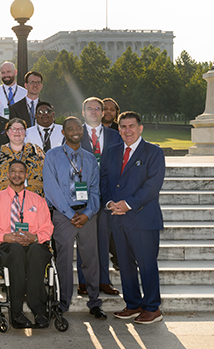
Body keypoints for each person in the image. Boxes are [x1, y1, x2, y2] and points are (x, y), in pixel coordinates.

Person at [102, 112, 165, 324]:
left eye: (131, 126)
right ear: (118, 129)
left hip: (142, 219)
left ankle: (152, 308)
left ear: (140, 128)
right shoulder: (111, 152)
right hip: (117, 218)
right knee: (125, 265)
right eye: (122, 126)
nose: (126, 130)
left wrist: (127, 205)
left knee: (146, 264)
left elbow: (152, 186)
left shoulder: (154, 152)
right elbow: (105, 182)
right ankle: (133, 304)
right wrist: (110, 203)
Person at [42, 118, 106, 320]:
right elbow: (51, 190)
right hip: (63, 216)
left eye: (79, 128)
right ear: (63, 133)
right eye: (71, 129)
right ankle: (63, 302)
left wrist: (87, 214)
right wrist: (71, 215)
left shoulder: (90, 159)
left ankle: (94, 302)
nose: (75, 131)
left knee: (91, 259)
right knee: (64, 259)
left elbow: (95, 190)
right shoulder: (52, 156)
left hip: (87, 216)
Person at [0, 160, 54, 329]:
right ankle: (17, 312)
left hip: (34, 245)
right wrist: (5, 237)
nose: (17, 174)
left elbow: (47, 228)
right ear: (7, 175)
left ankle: (39, 310)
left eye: (21, 171)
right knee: (16, 249)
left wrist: (34, 237)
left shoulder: (38, 200)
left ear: (26, 175)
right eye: (13, 171)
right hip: (6, 247)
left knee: (35, 250)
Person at [79, 96, 123, 296]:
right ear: (83, 112)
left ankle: (104, 281)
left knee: (104, 241)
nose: (94, 112)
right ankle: (83, 281)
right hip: (82, 195)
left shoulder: (114, 136)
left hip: (108, 196)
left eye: (98, 109)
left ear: (103, 112)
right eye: (90, 108)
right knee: (84, 240)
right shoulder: (75, 133)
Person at [0, 118, 45, 198]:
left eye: (20, 129)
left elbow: (48, 175)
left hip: (34, 202)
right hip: (5, 202)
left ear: (25, 132)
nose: (17, 131)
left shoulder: (36, 150)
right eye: (13, 129)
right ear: (7, 132)